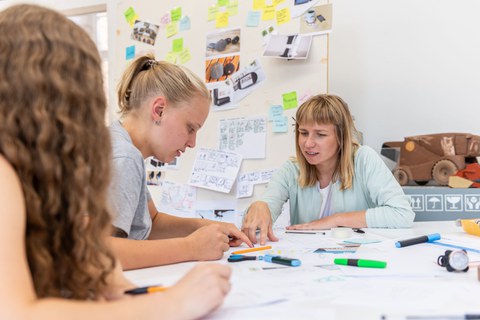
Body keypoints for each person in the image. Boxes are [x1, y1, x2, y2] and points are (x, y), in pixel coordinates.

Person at [0, 4, 231, 319]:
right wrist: (170, 304)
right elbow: (15, 312)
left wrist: (118, 287)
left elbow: (85, 246)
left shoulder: (37, 176)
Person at [110, 54, 252, 270]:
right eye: (190, 128)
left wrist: (209, 227)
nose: (192, 143)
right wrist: (190, 247)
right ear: (159, 110)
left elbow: (152, 222)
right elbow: (100, 253)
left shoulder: (122, 146)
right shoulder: (124, 156)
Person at [242, 94, 415, 245]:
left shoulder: (364, 159)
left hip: (359, 259)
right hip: (309, 265)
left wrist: (335, 220)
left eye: (320, 134)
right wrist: (259, 206)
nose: (308, 143)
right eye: (303, 133)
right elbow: (260, 218)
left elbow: (402, 214)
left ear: (341, 137)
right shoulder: (291, 170)